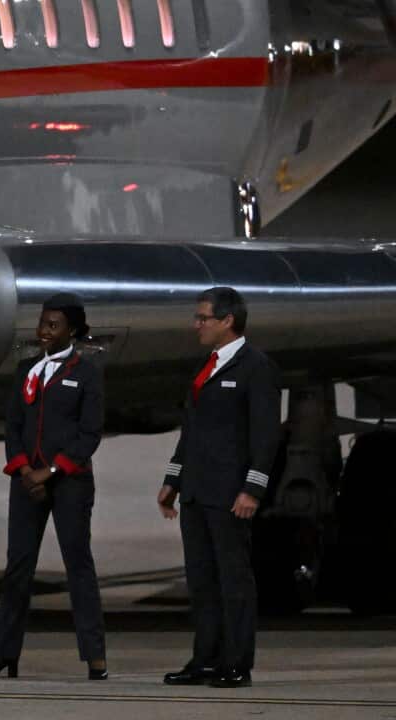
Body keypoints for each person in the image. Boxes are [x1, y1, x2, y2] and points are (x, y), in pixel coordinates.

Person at [0, 293, 108, 681]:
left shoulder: (87, 373)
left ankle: (94, 656)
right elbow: (13, 424)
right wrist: (23, 471)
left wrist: (50, 471)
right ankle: (4, 652)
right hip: (26, 482)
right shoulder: (27, 369)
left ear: (73, 330)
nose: (44, 331)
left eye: (53, 325)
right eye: (42, 324)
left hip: (69, 483)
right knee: (17, 567)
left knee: (77, 564)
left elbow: (89, 434)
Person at [157, 286, 279, 689]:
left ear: (227, 321)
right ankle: (205, 659)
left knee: (233, 582)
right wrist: (172, 480)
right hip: (195, 492)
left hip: (229, 495)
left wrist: (252, 490)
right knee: (202, 582)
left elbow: (265, 436)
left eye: (203, 318)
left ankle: (236, 663)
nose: (196, 324)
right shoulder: (206, 367)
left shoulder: (254, 367)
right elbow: (191, 433)